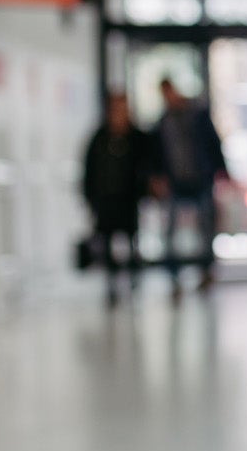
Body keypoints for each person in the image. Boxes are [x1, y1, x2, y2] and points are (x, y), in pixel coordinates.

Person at [152, 78, 228, 297]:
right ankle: (174, 276)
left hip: (200, 178)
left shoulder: (197, 115)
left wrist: (221, 171)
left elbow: (213, 143)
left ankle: (206, 270)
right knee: (172, 231)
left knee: (205, 227)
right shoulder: (163, 121)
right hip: (176, 181)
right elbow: (158, 154)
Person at [81, 92, 154, 305]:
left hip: (128, 198)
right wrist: (89, 197)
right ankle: (112, 284)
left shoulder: (137, 138)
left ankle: (133, 281)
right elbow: (90, 169)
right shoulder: (100, 138)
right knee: (108, 241)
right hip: (106, 198)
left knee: (131, 240)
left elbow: (148, 165)